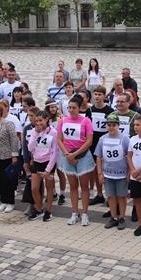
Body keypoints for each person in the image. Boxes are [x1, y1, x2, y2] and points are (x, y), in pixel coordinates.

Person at [56, 95, 95, 226]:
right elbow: (59, 139)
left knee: (84, 187)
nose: (71, 110)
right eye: (69, 107)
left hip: (82, 156)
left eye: (74, 108)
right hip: (67, 156)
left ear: (79, 108)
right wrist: (67, 154)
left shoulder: (86, 121)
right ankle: (74, 213)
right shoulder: (62, 121)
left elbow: (89, 141)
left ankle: (84, 214)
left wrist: (76, 154)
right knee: (72, 186)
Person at [96, 113, 130, 229]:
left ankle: (122, 217)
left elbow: (129, 156)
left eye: (113, 125)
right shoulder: (102, 139)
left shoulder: (125, 138)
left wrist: (129, 172)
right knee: (110, 196)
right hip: (108, 173)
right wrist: (100, 173)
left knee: (121, 196)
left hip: (121, 173)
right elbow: (99, 157)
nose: (111, 127)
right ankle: (113, 216)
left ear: (118, 126)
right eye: (109, 125)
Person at [27, 110, 58, 221]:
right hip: (36, 161)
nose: (38, 123)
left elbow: (55, 152)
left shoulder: (53, 132)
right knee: (34, 188)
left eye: (40, 120)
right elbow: (30, 148)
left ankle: (48, 211)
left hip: (48, 162)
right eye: (36, 121)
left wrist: (48, 169)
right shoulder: (34, 131)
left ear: (46, 119)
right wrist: (35, 133)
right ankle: (39, 208)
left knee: (49, 188)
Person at [89, 85, 114, 207]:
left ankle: (110, 196)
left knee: (107, 170)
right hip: (93, 144)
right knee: (95, 170)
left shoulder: (110, 111)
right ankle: (99, 194)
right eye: (95, 94)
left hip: (106, 144)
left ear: (104, 96)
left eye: (100, 94)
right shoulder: (91, 110)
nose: (97, 96)